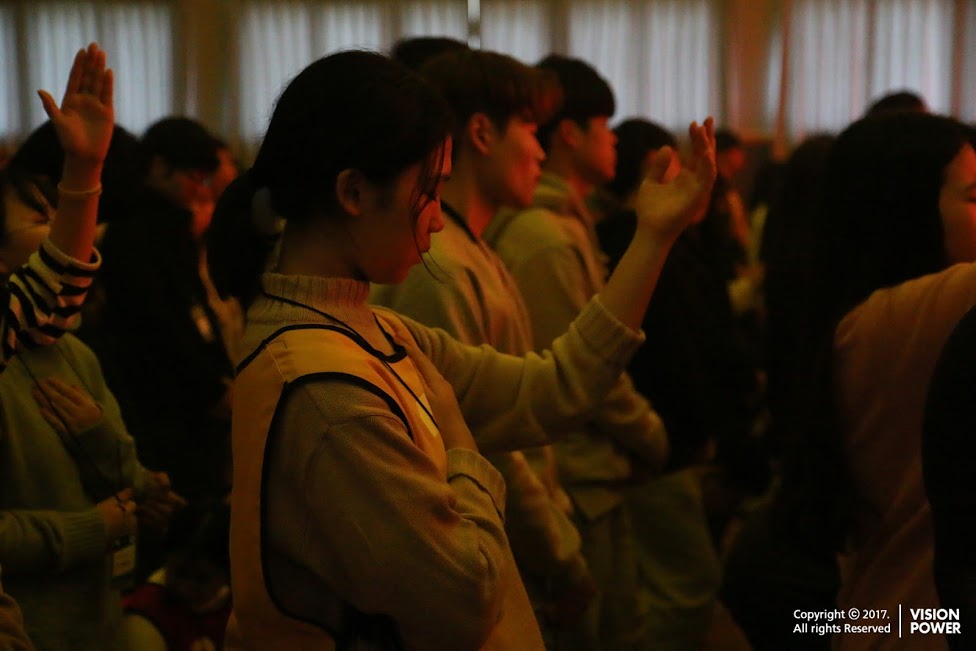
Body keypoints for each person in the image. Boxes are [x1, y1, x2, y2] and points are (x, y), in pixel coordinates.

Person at [206, 49, 714, 650]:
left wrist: (652, 238)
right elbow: (463, 598)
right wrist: (461, 442)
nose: (437, 220)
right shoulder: (324, 392)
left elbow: (548, 390)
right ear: (354, 192)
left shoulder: (371, 328)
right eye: (429, 190)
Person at [369, 47, 595, 643]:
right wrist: (559, 556)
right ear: (481, 133)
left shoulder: (473, 249)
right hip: (496, 558)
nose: (542, 152)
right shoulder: (440, 266)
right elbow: (480, 443)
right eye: (531, 128)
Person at [482, 55, 682, 650]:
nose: (614, 140)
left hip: (588, 476)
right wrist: (652, 435)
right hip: (578, 479)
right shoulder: (541, 236)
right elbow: (576, 369)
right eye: (604, 126)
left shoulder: (564, 222)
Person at [0, 43, 182, 651]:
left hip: (95, 616)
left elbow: (56, 285)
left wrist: (84, 168)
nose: (61, 229)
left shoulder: (64, 345)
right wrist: (90, 528)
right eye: (40, 217)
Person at [773, 112, 976, 651]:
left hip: (883, 615)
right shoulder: (920, 311)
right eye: (975, 197)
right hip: (927, 622)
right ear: (908, 210)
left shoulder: (857, 319)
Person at [122, 500, 232, 651]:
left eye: (201, 579)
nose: (185, 588)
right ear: (166, 557)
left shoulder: (237, 608)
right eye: (180, 572)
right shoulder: (146, 613)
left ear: (229, 574)